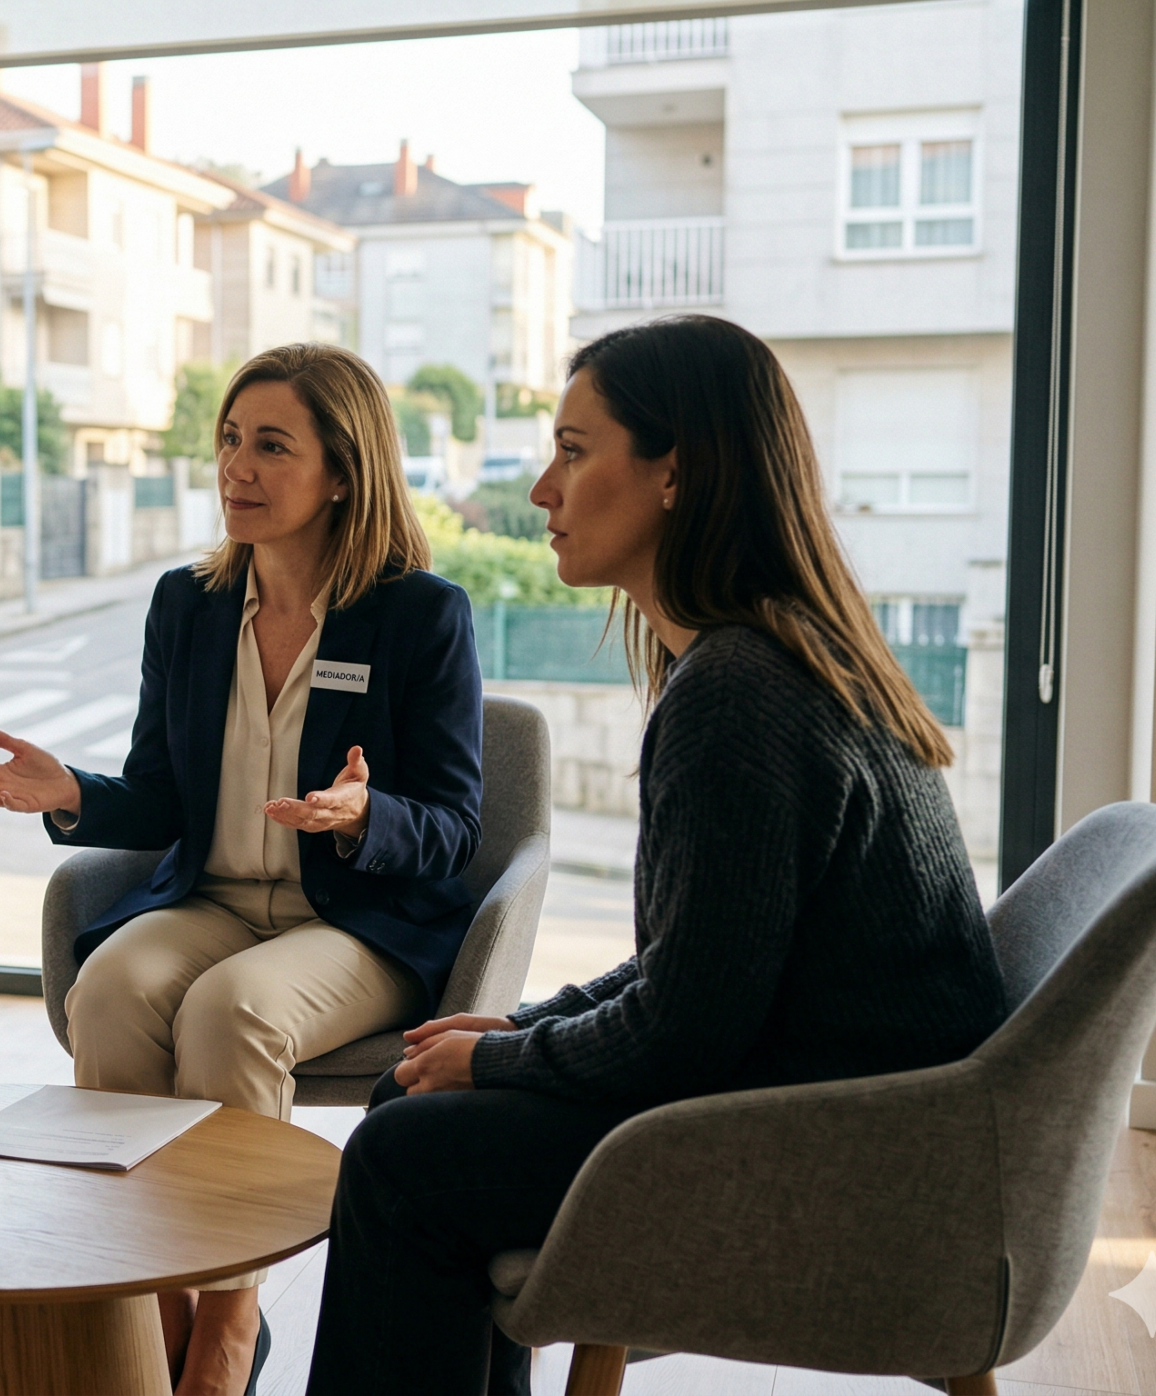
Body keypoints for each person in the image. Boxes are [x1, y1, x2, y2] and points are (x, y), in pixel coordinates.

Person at [304, 314, 1012, 1396]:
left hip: (824, 1144)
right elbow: (707, 956)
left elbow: (686, 1024)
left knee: (404, 1158)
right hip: (836, 1100)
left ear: (674, 473)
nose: (540, 488)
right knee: (415, 1105)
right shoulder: (775, 650)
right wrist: (525, 1025)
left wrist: (499, 1059)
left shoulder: (736, 693)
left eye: (574, 451)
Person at [0, 342, 484, 1396]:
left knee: (230, 1011)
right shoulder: (185, 605)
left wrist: (365, 815)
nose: (236, 466)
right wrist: (72, 795)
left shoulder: (421, 613)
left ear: (342, 470)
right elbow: (158, 797)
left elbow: (457, 826)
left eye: (271, 445)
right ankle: (159, 1303)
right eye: (229, 441)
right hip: (216, 897)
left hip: (359, 918)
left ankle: (230, 1327)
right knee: (109, 988)